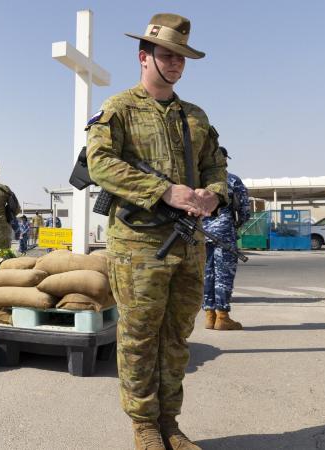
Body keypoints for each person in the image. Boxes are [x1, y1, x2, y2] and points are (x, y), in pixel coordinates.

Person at [86, 14, 227, 449]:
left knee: (176, 337)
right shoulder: (120, 108)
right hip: (139, 244)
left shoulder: (196, 116)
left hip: (189, 243)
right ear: (143, 56)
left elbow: (215, 166)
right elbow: (100, 163)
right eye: (168, 54)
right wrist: (164, 191)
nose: (177, 64)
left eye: (182, 57)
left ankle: (171, 423)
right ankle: (144, 426)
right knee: (139, 337)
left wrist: (213, 196)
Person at [203, 154, 250, 331]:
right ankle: (222, 317)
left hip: (200, 233)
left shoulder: (196, 179)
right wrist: (234, 225)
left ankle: (209, 316)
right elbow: (245, 210)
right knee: (223, 275)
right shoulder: (231, 180)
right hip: (224, 234)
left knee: (207, 274)